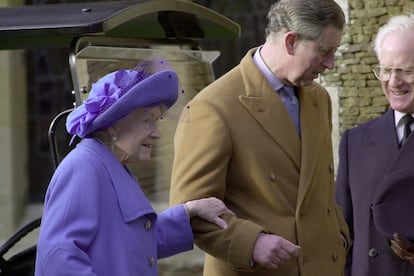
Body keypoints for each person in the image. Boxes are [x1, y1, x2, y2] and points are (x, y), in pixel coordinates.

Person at [169, 1, 350, 275]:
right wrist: (251, 242)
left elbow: (318, 187)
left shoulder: (319, 98)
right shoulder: (212, 107)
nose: (330, 64)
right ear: (291, 41)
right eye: (324, 51)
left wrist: (339, 234)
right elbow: (190, 209)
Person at [34, 58, 235, 276]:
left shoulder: (112, 166)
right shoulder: (83, 167)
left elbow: (130, 243)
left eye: (157, 121)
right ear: (114, 125)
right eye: (148, 120)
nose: (157, 133)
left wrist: (188, 213)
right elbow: (58, 257)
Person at [335, 14, 414, 276]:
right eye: (386, 70)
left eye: (405, 70)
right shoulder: (354, 142)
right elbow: (342, 234)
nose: (393, 82)